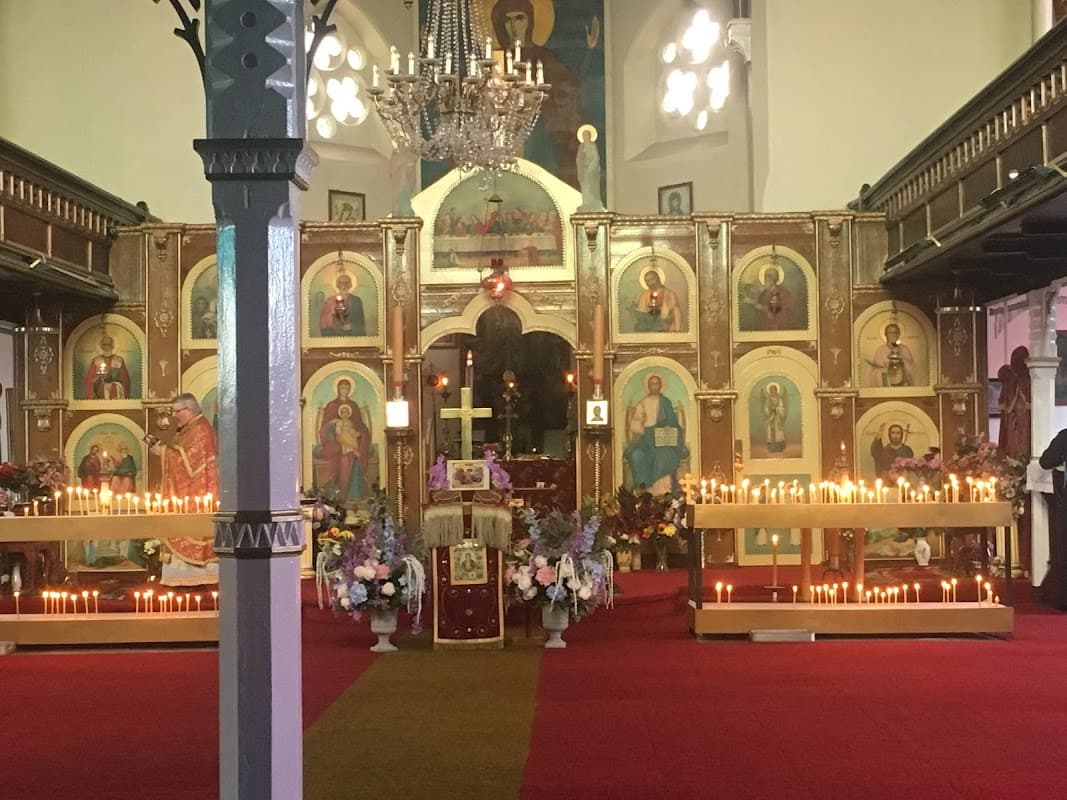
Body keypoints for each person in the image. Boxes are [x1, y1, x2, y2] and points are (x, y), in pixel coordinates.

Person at [151, 393, 219, 585]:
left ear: (189, 410)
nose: (174, 415)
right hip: (188, 491)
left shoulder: (200, 429)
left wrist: (163, 452)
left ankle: (196, 577)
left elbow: (190, 463)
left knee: (192, 528)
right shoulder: (188, 429)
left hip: (198, 491)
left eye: (177, 411)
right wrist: (164, 449)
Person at [625, 374, 689, 495]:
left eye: (656, 384)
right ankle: (645, 491)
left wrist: (668, 427)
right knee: (636, 455)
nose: (654, 387)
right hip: (646, 439)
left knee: (664, 454)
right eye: (652, 384)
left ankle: (663, 491)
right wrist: (648, 431)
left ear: (660, 386)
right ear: (648, 386)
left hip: (663, 440)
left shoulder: (666, 402)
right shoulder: (643, 403)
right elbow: (634, 425)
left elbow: (673, 423)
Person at [317, 379, 372, 503]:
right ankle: (339, 494)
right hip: (336, 444)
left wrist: (360, 433)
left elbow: (360, 425)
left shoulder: (354, 406)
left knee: (353, 459)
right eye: (342, 388)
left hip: (352, 444)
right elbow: (325, 427)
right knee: (342, 456)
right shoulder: (332, 406)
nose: (344, 390)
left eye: (347, 388)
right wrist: (333, 424)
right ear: (337, 389)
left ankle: (355, 494)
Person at [998, 345, 1031, 458]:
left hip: (1024, 422)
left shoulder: (1029, 380)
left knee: (1023, 441)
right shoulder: (1010, 381)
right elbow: (1005, 408)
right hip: (1013, 421)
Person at [866, 322, 916, 387]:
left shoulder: (904, 349)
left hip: (902, 385)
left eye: (895, 332)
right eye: (890, 332)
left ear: (899, 334)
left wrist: (902, 358)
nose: (893, 335)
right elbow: (875, 372)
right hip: (886, 384)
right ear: (886, 335)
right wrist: (888, 369)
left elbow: (912, 369)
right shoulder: (880, 350)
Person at [317, 271, 366, 336]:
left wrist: (352, 326)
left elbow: (361, 323)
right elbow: (323, 323)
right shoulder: (330, 301)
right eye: (341, 283)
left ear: (350, 285)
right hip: (335, 336)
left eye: (346, 283)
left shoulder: (356, 300)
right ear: (337, 285)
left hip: (352, 337)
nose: (344, 286)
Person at [83, 334, 131, 400]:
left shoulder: (119, 360)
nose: (107, 347)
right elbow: (89, 379)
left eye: (109, 345)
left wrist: (125, 394)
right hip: (100, 393)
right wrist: (98, 378)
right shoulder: (96, 361)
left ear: (112, 346)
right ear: (101, 346)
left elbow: (125, 379)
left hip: (116, 392)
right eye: (105, 345)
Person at [634, 268, 682, 333]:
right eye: (647, 281)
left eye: (652, 279)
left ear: (658, 278)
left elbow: (676, 312)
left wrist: (676, 330)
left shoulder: (670, 294)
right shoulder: (644, 295)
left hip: (667, 329)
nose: (650, 283)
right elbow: (641, 314)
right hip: (650, 329)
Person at [576, 124, 604, 212]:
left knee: (591, 187)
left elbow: (596, 158)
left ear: (590, 136)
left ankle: (593, 204)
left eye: (587, 135)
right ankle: (586, 203)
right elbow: (578, 158)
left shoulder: (592, 146)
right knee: (584, 188)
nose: (585, 137)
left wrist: (591, 167)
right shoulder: (581, 147)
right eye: (584, 135)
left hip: (591, 171)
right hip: (584, 171)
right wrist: (581, 164)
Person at [761, 382, 787, 455]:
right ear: (769, 392)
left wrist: (776, 409)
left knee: (779, 433)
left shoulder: (779, 399)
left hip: (777, 418)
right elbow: (765, 409)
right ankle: (772, 448)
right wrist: (769, 410)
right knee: (771, 432)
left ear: (776, 390)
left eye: (774, 390)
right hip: (771, 418)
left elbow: (782, 408)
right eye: (771, 390)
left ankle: (779, 448)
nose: (773, 392)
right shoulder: (767, 400)